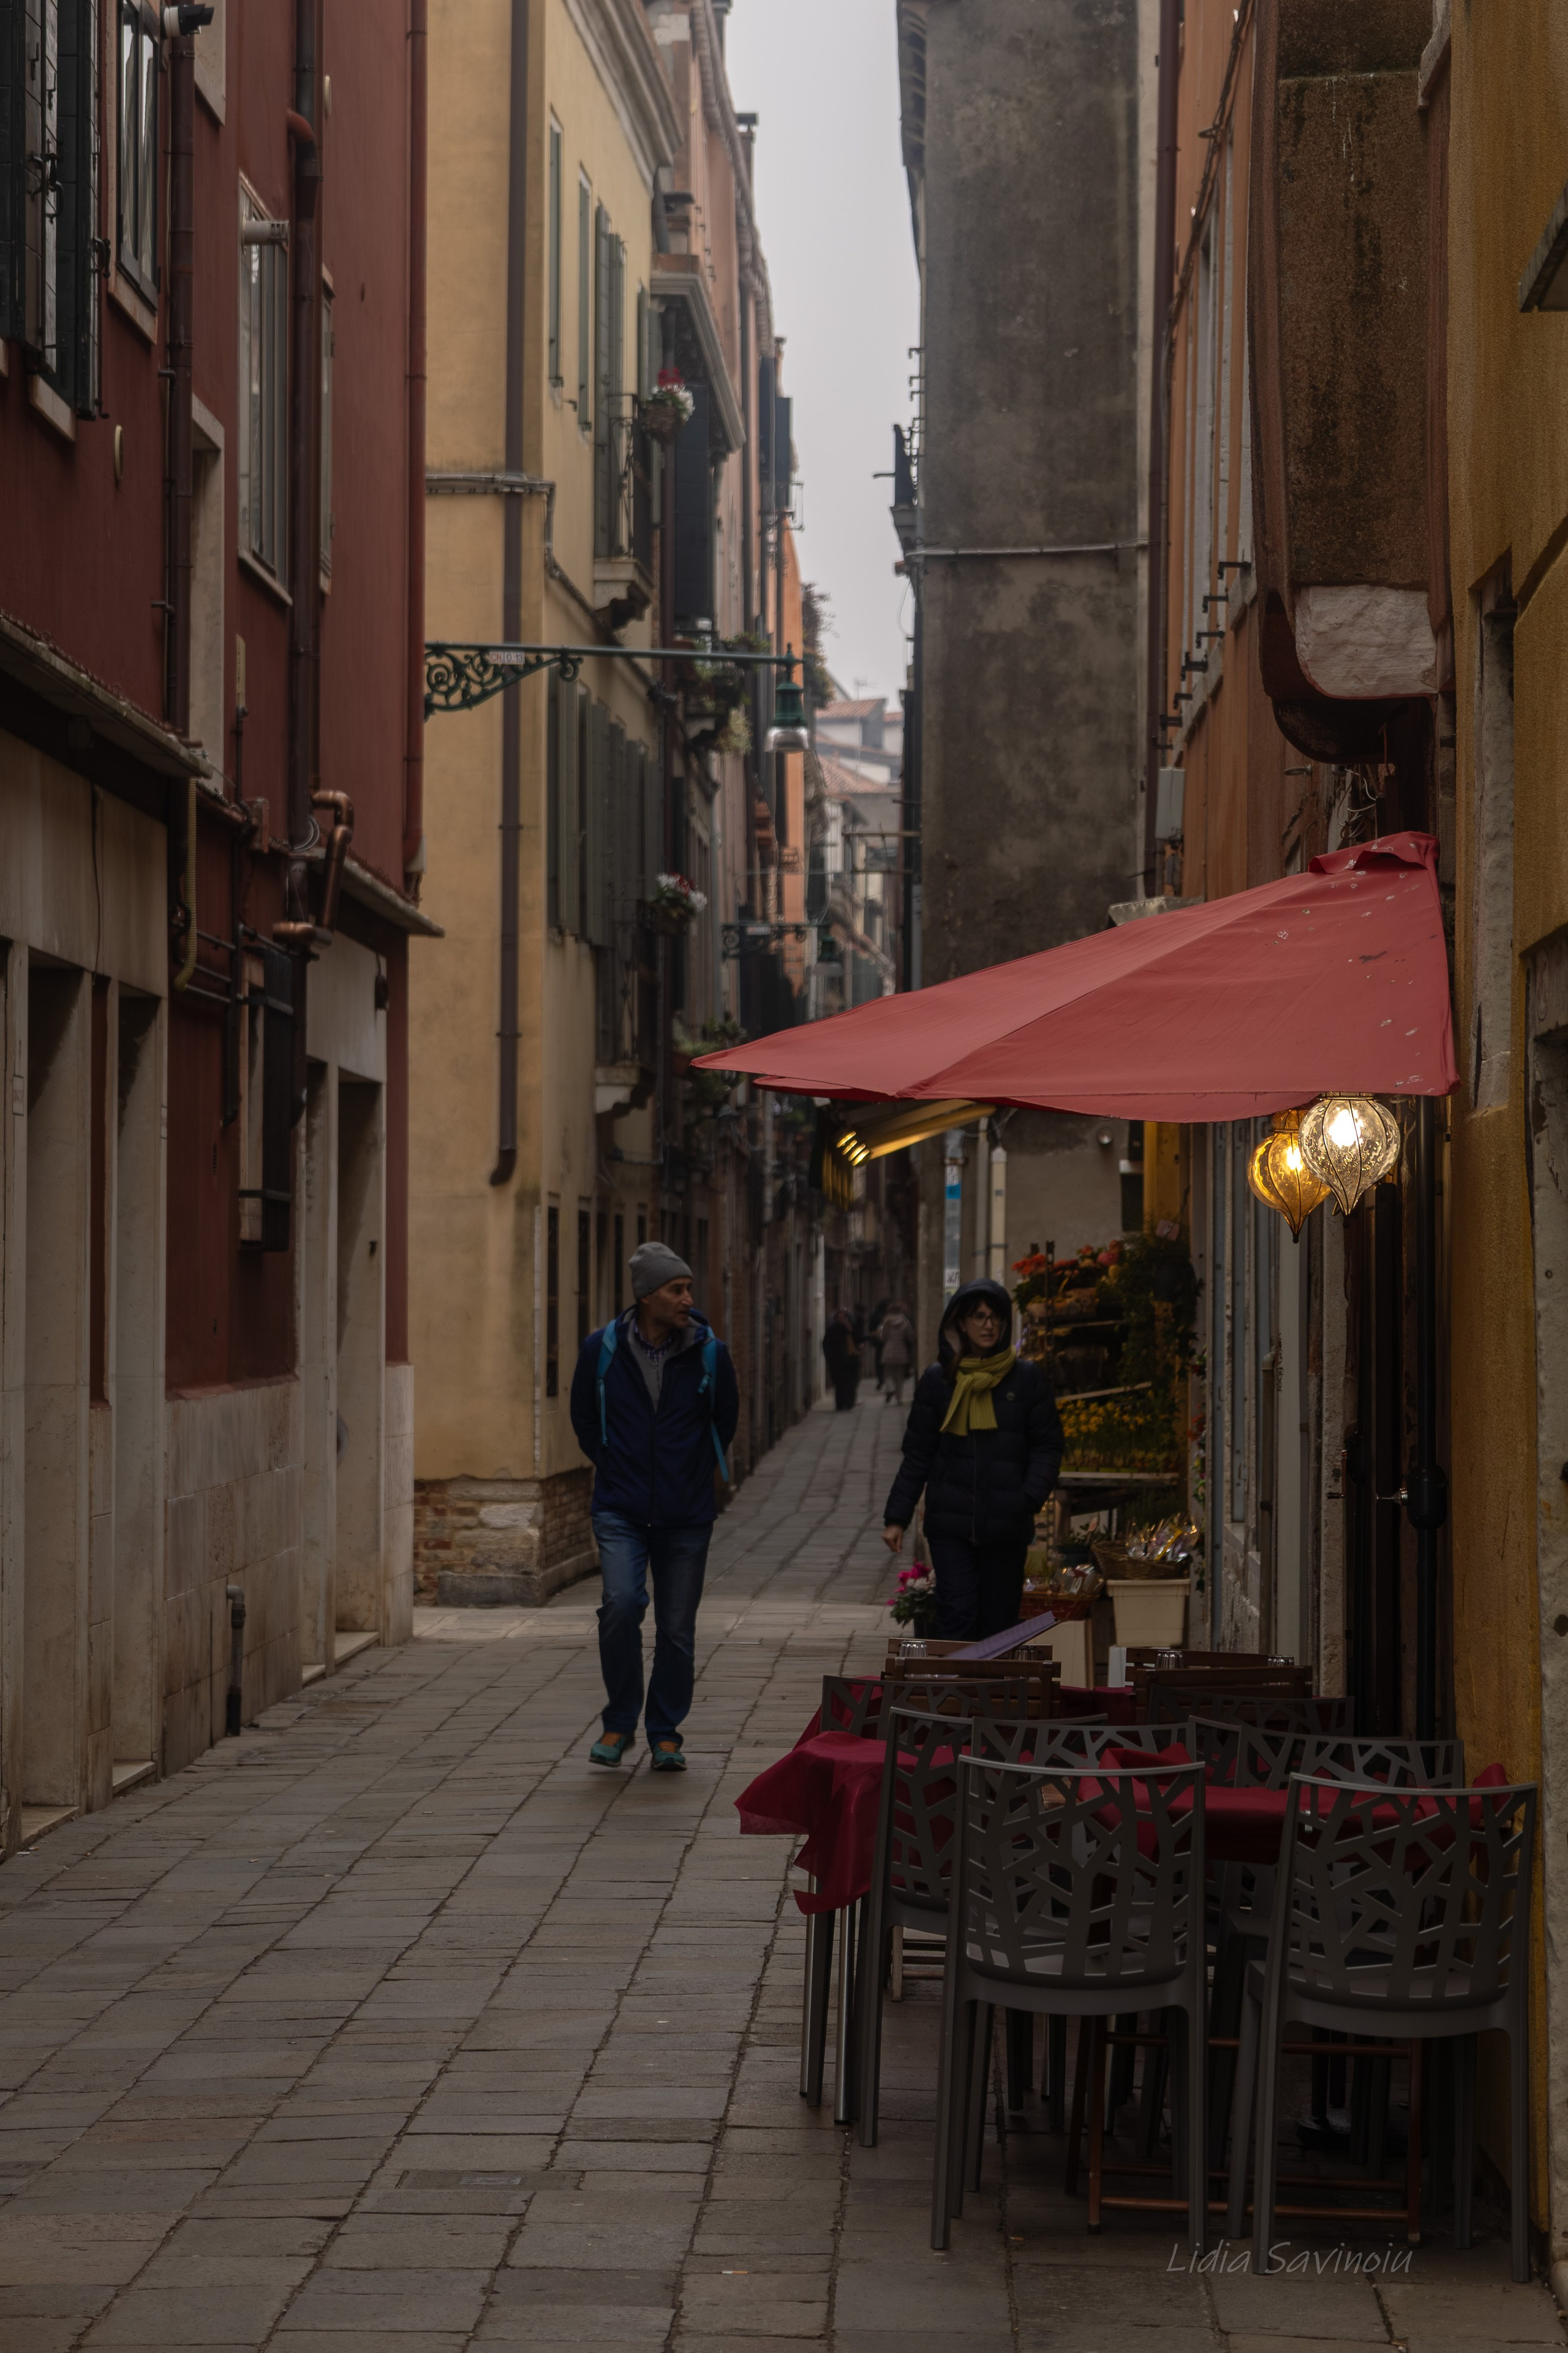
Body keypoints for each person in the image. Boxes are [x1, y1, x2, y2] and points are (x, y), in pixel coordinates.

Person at [569, 1241, 739, 1772]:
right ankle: (620, 1722)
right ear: (647, 1296)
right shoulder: (602, 1350)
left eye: (688, 1287)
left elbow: (724, 1419)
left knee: (676, 1628)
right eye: (677, 1289)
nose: (688, 1297)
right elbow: (583, 1420)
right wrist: (615, 1462)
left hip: (686, 1512)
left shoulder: (709, 1351)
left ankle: (665, 1731)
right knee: (620, 1605)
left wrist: (690, 1472)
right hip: (620, 1506)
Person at [881, 1277, 1063, 1641]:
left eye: (995, 1317)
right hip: (951, 1524)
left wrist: (1026, 1499)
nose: (988, 1325)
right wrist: (897, 1517)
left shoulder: (1025, 1379)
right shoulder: (938, 1381)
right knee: (957, 1616)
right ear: (960, 1323)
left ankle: (992, 1698)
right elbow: (919, 1452)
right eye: (978, 1317)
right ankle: (957, 1694)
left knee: (999, 1625)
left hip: (1006, 1524)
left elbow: (1048, 1445)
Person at [875, 1300, 915, 1408]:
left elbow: (882, 1337)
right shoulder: (905, 1321)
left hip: (889, 1350)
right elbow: (911, 1336)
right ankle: (899, 1399)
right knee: (900, 1377)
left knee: (888, 1374)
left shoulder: (886, 1322)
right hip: (902, 1351)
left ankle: (890, 1389)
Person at [822, 1306, 861, 1411]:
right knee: (840, 1384)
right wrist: (830, 1358)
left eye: (844, 1317)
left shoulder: (852, 1328)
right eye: (840, 1317)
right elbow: (827, 1345)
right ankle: (841, 1404)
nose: (842, 1319)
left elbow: (858, 1340)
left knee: (852, 1382)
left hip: (852, 1360)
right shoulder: (832, 1330)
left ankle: (849, 1402)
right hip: (838, 1362)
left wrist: (850, 1330)